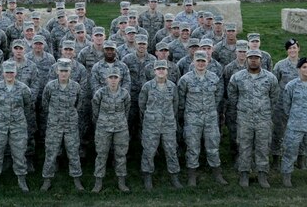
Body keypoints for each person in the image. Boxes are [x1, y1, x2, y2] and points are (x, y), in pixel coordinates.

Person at [227, 49, 279, 188]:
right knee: (244, 147)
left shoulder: (270, 78)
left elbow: (274, 97)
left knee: (263, 147)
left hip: (263, 119)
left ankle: (262, 175)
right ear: (247, 59)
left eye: (256, 58)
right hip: (244, 119)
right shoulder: (237, 77)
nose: (253, 60)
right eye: (251, 58)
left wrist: (265, 111)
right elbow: (232, 97)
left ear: (261, 60)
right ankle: (244, 174)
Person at [178, 51, 228, 186]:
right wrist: (186, 113)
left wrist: (210, 108)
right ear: (193, 61)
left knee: (213, 146)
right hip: (192, 118)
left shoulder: (214, 78)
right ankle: (192, 176)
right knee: (192, 147)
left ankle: (217, 173)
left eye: (203, 61)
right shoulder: (185, 79)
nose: (200, 63)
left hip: (210, 118)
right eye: (198, 61)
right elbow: (181, 99)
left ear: (207, 62)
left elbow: (218, 96)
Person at [0, 60, 33, 192]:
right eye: (7, 72)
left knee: (19, 153)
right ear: (3, 73)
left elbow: (28, 106)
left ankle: (21, 179)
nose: (9, 74)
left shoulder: (24, 89)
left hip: (18, 126)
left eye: (12, 72)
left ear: (16, 73)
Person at [40, 59, 85, 191]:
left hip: (71, 125)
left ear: (70, 72)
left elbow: (79, 103)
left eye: (66, 71)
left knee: (73, 152)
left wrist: (70, 114)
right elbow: (45, 103)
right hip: (54, 125)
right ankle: (47, 179)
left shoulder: (76, 87)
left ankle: (77, 179)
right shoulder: (50, 86)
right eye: (61, 71)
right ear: (57, 71)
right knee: (51, 152)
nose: (64, 74)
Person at [138, 59, 182, 190]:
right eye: (159, 69)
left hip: (168, 124)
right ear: (154, 71)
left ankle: (174, 176)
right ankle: (147, 176)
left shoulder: (172, 86)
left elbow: (175, 104)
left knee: (171, 150)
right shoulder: (147, 86)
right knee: (149, 151)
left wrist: (168, 117)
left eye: (163, 68)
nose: (161, 71)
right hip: (151, 125)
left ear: (167, 71)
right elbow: (142, 105)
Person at [280, 56, 307, 188]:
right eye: (304, 67)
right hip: (295, 125)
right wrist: (295, 117)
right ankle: (286, 177)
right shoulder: (291, 86)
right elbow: (286, 106)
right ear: (299, 69)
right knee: (290, 151)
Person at [91, 67, 131, 193]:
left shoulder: (125, 93)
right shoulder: (100, 93)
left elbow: (127, 110)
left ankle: (121, 182)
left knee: (121, 155)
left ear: (120, 79)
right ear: (106, 79)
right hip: (103, 127)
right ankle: (98, 182)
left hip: (120, 128)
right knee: (101, 155)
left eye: (116, 77)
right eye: (110, 78)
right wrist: (102, 120)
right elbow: (95, 109)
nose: (113, 80)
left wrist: (120, 120)